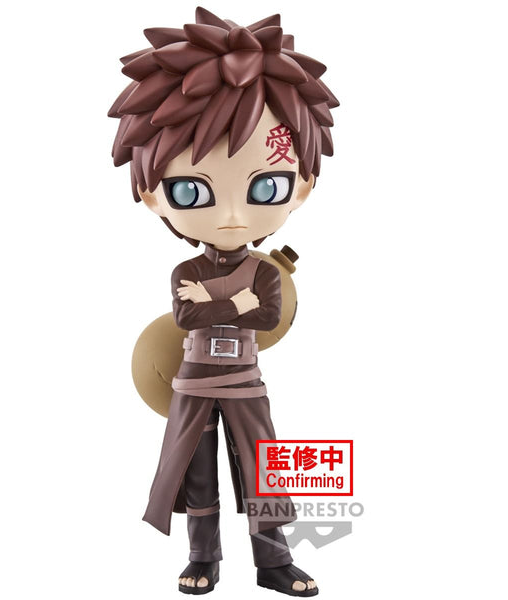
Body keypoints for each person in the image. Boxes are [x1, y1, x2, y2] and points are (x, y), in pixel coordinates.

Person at [108, 6, 339, 596]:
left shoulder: (264, 272)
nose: (233, 216)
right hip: (192, 385)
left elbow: (266, 315)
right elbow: (187, 314)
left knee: (265, 470)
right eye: (192, 189)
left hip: (245, 383)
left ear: (302, 186)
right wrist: (232, 305)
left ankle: (275, 562)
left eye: (266, 186)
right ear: (152, 194)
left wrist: (224, 306)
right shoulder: (185, 269)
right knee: (197, 475)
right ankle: (202, 557)